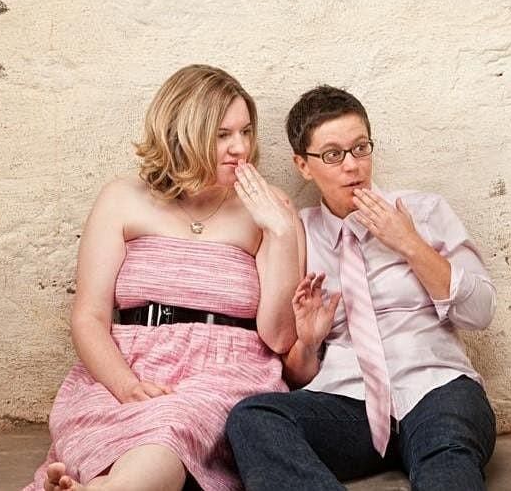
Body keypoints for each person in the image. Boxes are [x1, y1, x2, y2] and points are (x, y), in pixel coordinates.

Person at [25, 64, 303, 491]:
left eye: (246, 132)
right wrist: (125, 385)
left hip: (226, 372)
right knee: (122, 435)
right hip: (127, 362)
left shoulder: (270, 208)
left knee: (170, 426)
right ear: (182, 135)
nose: (241, 147)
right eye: (222, 135)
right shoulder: (122, 198)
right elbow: (89, 317)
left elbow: (280, 337)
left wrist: (280, 233)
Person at [226, 85, 497, 490]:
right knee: (253, 419)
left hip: (436, 387)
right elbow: (296, 372)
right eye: (333, 155)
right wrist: (308, 343)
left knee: (448, 463)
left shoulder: (424, 210)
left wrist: (409, 243)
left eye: (360, 148)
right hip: (348, 402)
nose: (352, 166)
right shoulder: (301, 233)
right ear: (303, 165)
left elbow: (480, 312)